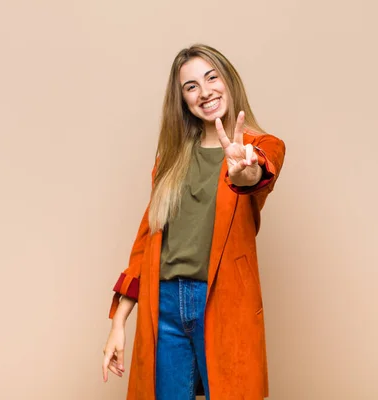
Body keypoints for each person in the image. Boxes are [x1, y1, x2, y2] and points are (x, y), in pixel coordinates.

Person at [101, 44, 286, 400]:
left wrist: (245, 169)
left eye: (211, 77)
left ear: (229, 80)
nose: (205, 92)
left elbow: (257, 175)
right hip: (165, 304)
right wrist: (118, 323)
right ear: (183, 100)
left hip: (222, 302)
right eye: (191, 87)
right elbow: (147, 241)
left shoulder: (262, 146)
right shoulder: (170, 160)